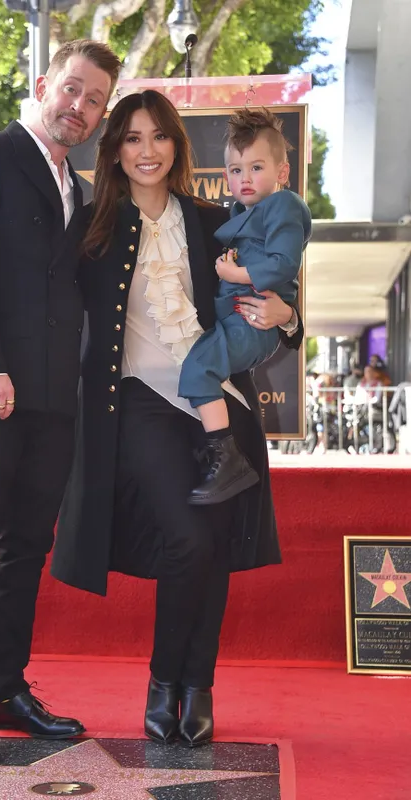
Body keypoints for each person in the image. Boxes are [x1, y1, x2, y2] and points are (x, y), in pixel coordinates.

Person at [51, 90, 303, 748]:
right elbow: (43, 303)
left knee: (211, 545)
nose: (147, 151)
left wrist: (288, 318)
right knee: (189, 537)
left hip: (221, 408)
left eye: (159, 136)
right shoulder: (92, 227)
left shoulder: (216, 219)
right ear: (114, 150)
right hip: (139, 403)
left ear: (176, 146)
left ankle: (199, 686)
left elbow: (276, 295)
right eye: (133, 138)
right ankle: (166, 681)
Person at [0, 39, 122, 762]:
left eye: (95, 100)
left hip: (53, 400)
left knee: (27, 549)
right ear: (44, 85)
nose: (80, 106)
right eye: (72, 89)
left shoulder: (82, 191)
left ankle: (2, 690)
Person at [177, 108, 311, 505]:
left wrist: (242, 278)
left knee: (199, 369)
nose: (245, 178)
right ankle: (221, 452)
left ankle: (226, 456)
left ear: (282, 172)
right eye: (237, 170)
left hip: (250, 322)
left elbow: (284, 265)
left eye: (256, 167)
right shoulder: (238, 214)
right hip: (231, 321)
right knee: (199, 368)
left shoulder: (283, 206)